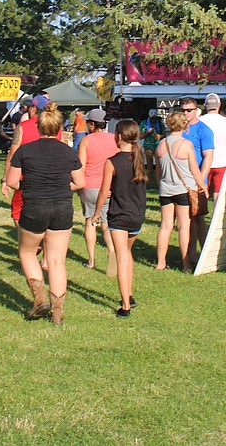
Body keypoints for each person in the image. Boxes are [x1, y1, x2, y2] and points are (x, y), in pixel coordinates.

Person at [6, 104, 85, 324]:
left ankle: (39, 300)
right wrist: (61, 187)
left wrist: (30, 185)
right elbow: (80, 182)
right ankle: (58, 313)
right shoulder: (68, 151)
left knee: (28, 253)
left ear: (38, 126)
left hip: (34, 205)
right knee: (57, 261)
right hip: (62, 207)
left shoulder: (25, 150)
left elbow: (12, 182)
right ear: (59, 128)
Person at [94, 120, 147, 318]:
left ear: (118, 137)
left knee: (121, 257)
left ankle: (125, 305)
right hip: (137, 214)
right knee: (128, 253)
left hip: (119, 215)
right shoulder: (140, 158)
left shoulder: (112, 162)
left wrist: (96, 212)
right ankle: (130, 294)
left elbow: (103, 191)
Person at [155, 110, 208, 271]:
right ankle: (186, 263)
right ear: (184, 126)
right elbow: (194, 170)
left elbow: (158, 172)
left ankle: (160, 262)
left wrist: (162, 185)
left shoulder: (161, 145)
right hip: (184, 189)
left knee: (165, 226)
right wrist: (203, 186)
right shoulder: (186, 144)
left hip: (166, 190)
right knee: (184, 227)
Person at [76, 107, 118, 271]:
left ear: (92, 124)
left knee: (90, 221)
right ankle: (112, 252)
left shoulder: (86, 141)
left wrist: (78, 186)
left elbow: (81, 165)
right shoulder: (114, 139)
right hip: (108, 186)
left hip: (89, 185)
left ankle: (91, 260)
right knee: (107, 223)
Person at [179, 97, 214, 266]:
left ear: (196, 110)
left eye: (189, 110)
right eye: (183, 110)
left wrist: (201, 180)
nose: (186, 113)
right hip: (180, 181)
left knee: (199, 218)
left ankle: (205, 253)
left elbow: (208, 157)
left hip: (197, 181)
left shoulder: (203, 130)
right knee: (185, 220)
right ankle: (190, 255)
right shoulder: (178, 129)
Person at [1, 95, 46, 227]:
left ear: (33, 109)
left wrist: (5, 179)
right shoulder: (56, 128)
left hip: (25, 179)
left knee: (18, 213)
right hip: (49, 179)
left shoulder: (23, 127)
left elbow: (12, 155)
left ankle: (28, 241)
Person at [200, 93, 226, 199]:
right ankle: (217, 214)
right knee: (219, 192)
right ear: (219, 105)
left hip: (204, 161)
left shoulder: (200, 121)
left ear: (205, 105)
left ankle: (200, 213)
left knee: (202, 189)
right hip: (222, 161)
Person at [140, 109, 165, 174]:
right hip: (148, 147)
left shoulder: (160, 122)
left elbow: (164, 135)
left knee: (159, 165)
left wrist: (160, 136)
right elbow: (140, 137)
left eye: (155, 117)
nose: (153, 119)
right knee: (149, 167)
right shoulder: (144, 123)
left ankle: (158, 181)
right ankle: (150, 182)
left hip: (158, 146)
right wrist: (147, 132)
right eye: (152, 117)